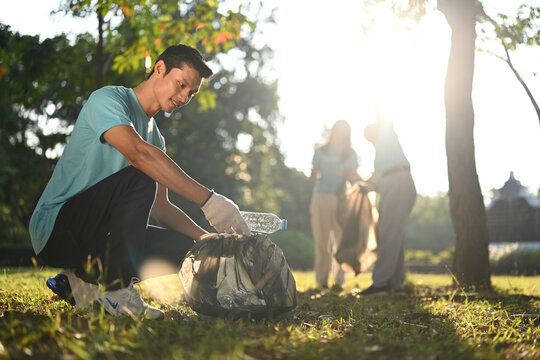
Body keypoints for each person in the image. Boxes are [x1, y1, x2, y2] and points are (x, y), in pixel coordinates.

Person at [29, 44, 251, 319]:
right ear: (160, 69)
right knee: (143, 170)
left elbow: (161, 206)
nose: (184, 97)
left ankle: (76, 281)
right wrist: (210, 200)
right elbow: (138, 155)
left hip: (95, 236)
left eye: (191, 93)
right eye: (181, 85)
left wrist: (209, 239)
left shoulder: (156, 139)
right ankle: (116, 293)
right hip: (56, 229)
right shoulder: (108, 100)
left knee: (189, 248)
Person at [359, 107, 416, 295]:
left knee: (389, 235)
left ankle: (381, 283)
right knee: (394, 236)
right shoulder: (379, 154)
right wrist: (363, 184)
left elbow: (383, 116)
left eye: (370, 136)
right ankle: (395, 284)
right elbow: (377, 179)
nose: (371, 140)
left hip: (399, 184)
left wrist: (374, 103)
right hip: (392, 186)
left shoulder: (387, 136)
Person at [310, 120, 358, 289]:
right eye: (338, 130)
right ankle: (322, 280)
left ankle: (339, 281)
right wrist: (314, 174)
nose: (340, 134)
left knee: (340, 240)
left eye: (344, 131)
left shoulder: (351, 154)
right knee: (321, 240)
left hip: (342, 199)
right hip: (321, 197)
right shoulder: (320, 151)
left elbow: (354, 178)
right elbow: (313, 177)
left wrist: (348, 175)